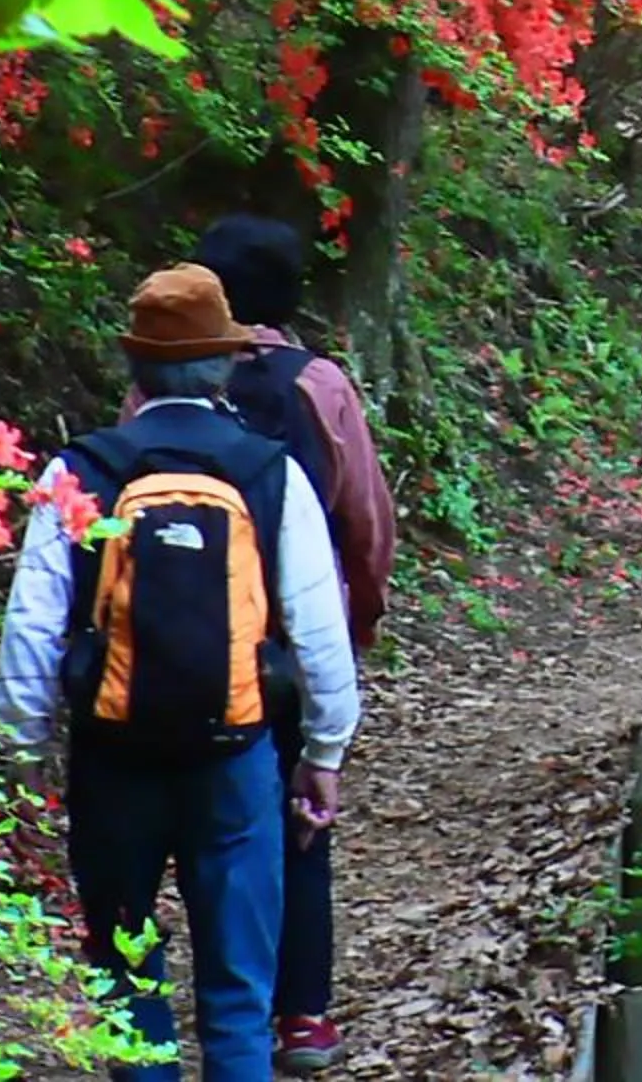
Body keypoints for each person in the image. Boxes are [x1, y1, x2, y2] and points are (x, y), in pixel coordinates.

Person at [0, 265, 362, 1082]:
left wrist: (24, 756)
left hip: (112, 759)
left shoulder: (81, 471)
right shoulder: (269, 472)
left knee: (129, 988)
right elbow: (317, 628)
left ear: (136, 369)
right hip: (234, 755)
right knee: (238, 994)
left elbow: (31, 627)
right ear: (225, 364)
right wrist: (325, 750)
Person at [145, 215, 395, 1074]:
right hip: (283, 649)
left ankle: (148, 1018)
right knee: (297, 821)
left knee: (169, 814)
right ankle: (300, 1016)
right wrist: (354, 623)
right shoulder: (318, 385)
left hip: (167, 650)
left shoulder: (153, 391)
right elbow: (364, 520)